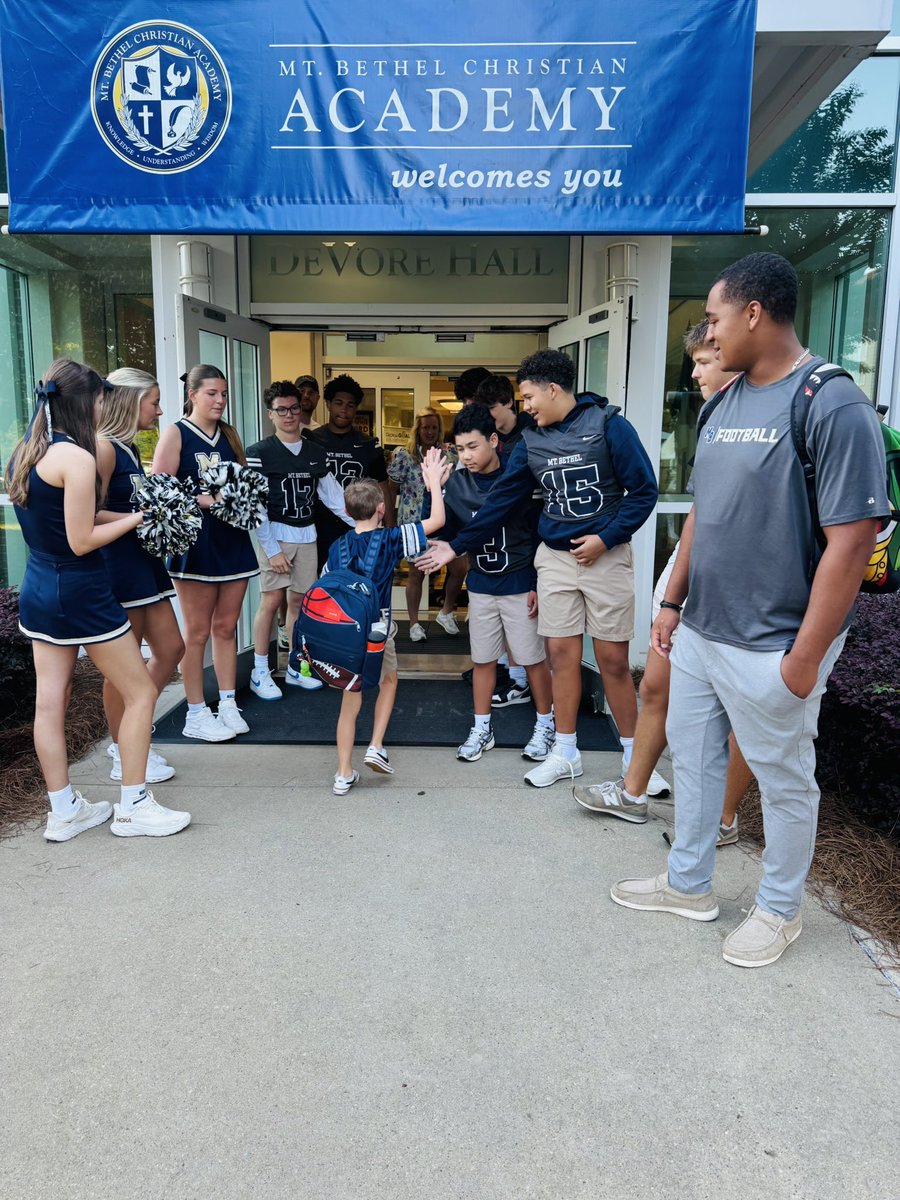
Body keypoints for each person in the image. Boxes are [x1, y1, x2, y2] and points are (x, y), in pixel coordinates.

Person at [611, 252, 889, 968]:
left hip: (774, 643)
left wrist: (801, 664)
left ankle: (780, 910)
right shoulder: (723, 403)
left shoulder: (832, 402)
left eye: (714, 318)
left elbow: (853, 540)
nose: (709, 332)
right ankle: (688, 884)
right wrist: (672, 600)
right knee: (696, 762)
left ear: (754, 313)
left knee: (785, 780)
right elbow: (705, 512)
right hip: (703, 629)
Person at [418, 349, 658, 788]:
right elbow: (499, 503)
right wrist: (456, 546)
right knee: (560, 657)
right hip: (555, 560)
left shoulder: (610, 425)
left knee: (613, 661)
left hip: (605, 557)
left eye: (528, 397)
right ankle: (565, 752)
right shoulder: (530, 442)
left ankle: (634, 760)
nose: (524, 407)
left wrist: (606, 538)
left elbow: (643, 492)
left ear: (552, 389)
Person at [574, 322, 754, 832]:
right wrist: (673, 598)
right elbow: (702, 510)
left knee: (740, 711)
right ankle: (633, 794)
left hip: (745, 585)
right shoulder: (715, 417)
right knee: (656, 687)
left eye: (704, 362)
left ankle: (720, 819)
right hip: (691, 574)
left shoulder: (782, 414)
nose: (694, 374)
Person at [7, 358, 190, 840]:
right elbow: (82, 539)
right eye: (100, 399)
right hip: (81, 592)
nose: (103, 407)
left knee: (51, 703)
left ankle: (64, 810)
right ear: (86, 401)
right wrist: (139, 518)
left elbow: (73, 519)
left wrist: (134, 515)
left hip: (39, 589)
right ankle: (134, 807)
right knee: (141, 692)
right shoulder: (78, 458)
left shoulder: (25, 451)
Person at [434, 404, 555, 764]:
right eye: (459, 449)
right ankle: (481, 728)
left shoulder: (518, 478)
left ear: (492, 440)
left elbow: (538, 534)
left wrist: (536, 582)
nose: (467, 456)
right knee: (483, 660)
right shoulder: (457, 483)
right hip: (481, 583)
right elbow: (443, 533)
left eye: (473, 446)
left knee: (533, 660)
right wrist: (433, 489)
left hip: (518, 581)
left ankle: (546, 725)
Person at [152, 364, 259, 742]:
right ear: (193, 394)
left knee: (226, 628)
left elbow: (242, 486)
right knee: (197, 632)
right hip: (194, 546)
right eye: (212, 393)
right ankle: (196, 712)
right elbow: (159, 492)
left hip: (232, 541)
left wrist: (243, 497)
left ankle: (228, 703)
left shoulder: (229, 434)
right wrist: (204, 499)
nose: (220, 400)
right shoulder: (176, 433)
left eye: (224, 394)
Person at [329, 452, 447, 795]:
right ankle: (376, 745)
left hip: (346, 634)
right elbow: (437, 520)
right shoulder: (392, 539)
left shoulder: (337, 546)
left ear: (347, 511)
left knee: (350, 700)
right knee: (389, 681)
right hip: (378, 631)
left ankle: (342, 773)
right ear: (382, 508)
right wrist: (434, 483)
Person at [97, 367, 185, 785]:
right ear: (130, 403)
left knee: (171, 648)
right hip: (118, 565)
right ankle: (123, 749)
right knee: (124, 666)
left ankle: (134, 729)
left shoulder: (129, 448)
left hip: (143, 560)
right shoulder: (103, 449)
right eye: (154, 402)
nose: (160, 410)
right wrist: (141, 517)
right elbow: (86, 513)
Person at [245, 380, 353, 699]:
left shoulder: (315, 452)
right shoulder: (259, 453)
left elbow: (334, 497)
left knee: (300, 604)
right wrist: (272, 549)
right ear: (270, 414)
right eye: (282, 410)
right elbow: (256, 506)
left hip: (307, 535)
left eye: (293, 408)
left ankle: (297, 666)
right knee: (270, 602)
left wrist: (363, 525)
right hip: (275, 534)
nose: (289, 415)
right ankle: (260, 670)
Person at [470, 372, 538, 703]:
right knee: (506, 629)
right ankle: (516, 680)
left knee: (530, 633)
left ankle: (541, 698)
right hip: (496, 546)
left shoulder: (533, 432)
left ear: (510, 402)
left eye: (492, 409)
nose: (488, 417)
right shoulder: (490, 439)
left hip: (532, 538)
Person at [387, 408, 467, 641]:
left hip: (446, 520)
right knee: (416, 574)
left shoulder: (450, 454)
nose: (430, 432)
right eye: (425, 427)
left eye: (434, 427)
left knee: (459, 568)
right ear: (417, 430)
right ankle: (414, 624)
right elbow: (391, 490)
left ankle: (446, 611)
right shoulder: (404, 455)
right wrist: (390, 523)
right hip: (415, 523)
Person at [305, 373, 393, 569]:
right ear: (328, 404)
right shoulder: (312, 440)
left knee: (357, 581)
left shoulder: (368, 445)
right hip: (319, 528)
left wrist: (389, 530)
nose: (344, 409)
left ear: (356, 408)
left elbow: (383, 489)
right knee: (321, 582)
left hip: (358, 528)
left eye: (350, 405)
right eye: (339, 403)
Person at [473, 373, 535, 460]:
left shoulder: (536, 430)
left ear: (509, 402)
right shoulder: (484, 438)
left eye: (492, 408)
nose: (486, 414)